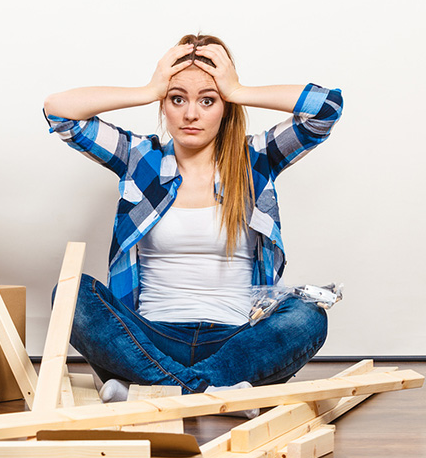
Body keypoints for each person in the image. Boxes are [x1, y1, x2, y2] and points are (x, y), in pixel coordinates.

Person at [43, 34, 343, 408]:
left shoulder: (256, 158)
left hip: (237, 342)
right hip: (149, 339)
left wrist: (237, 88)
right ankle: (214, 392)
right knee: (72, 294)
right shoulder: (140, 158)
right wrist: (148, 88)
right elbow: (58, 110)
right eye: (177, 98)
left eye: (208, 100)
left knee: (308, 316)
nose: (190, 114)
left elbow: (327, 107)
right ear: (164, 105)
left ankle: (152, 390)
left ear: (225, 106)